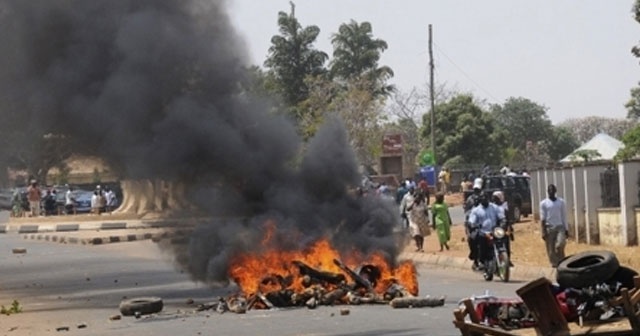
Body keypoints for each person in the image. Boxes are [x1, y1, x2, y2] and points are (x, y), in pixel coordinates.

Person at [468, 193, 506, 276]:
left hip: (495, 231)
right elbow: (471, 221)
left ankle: (505, 259)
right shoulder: (476, 210)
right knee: (478, 241)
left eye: (486, 199)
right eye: (483, 199)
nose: (485, 201)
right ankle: (481, 261)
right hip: (483, 232)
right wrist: (473, 225)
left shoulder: (494, 207)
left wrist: (502, 223)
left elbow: (502, 217)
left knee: (505, 238)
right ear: (481, 200)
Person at [540, 184, 568, 268]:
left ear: (555, 191)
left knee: (560, 245)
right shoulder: (543, 203)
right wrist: (543, 231)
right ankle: (555, 264)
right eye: (549, 190)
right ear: (547, 191)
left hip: (560, 227)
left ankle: (561, 261)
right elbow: (543, 218)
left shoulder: (561, 202)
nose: (551, 192)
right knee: (551, 250)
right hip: (549, 227)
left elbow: (564, 216)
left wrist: (566, 229)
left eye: (552, 190)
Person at [464, 179, 484, 269]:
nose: (477, 192)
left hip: (485, 223)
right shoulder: (470, 199)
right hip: (473, 224)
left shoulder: (484, 197)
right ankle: (475, 259)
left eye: (478, 190)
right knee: (472, 239)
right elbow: (467, 212)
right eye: (476, 190)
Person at [491, 191, 514, 266]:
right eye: (493, 198)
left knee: (506, 245)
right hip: (493, 229)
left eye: (496, 198)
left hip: (502, 229)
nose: (494, 199)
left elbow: (508, 220)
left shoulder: (504, 207)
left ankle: (507, 260)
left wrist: (510, 230)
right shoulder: (491, 207)